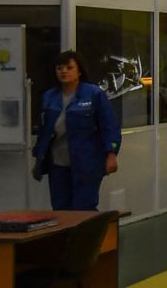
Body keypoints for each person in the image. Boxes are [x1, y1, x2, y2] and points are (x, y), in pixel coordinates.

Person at [31, 50, 120, 211]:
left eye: (69, 67)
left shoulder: (94, 94)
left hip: (87, 163)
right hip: (57, 163)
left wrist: (111, 154)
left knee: (83, 207)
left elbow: (109, 126)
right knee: (60, 208)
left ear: (79, 71)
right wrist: (38, 159)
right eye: (59, 68)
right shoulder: (49, 97)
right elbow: (44, 131)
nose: (64, 71)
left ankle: (89, 236)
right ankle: (66, 237)